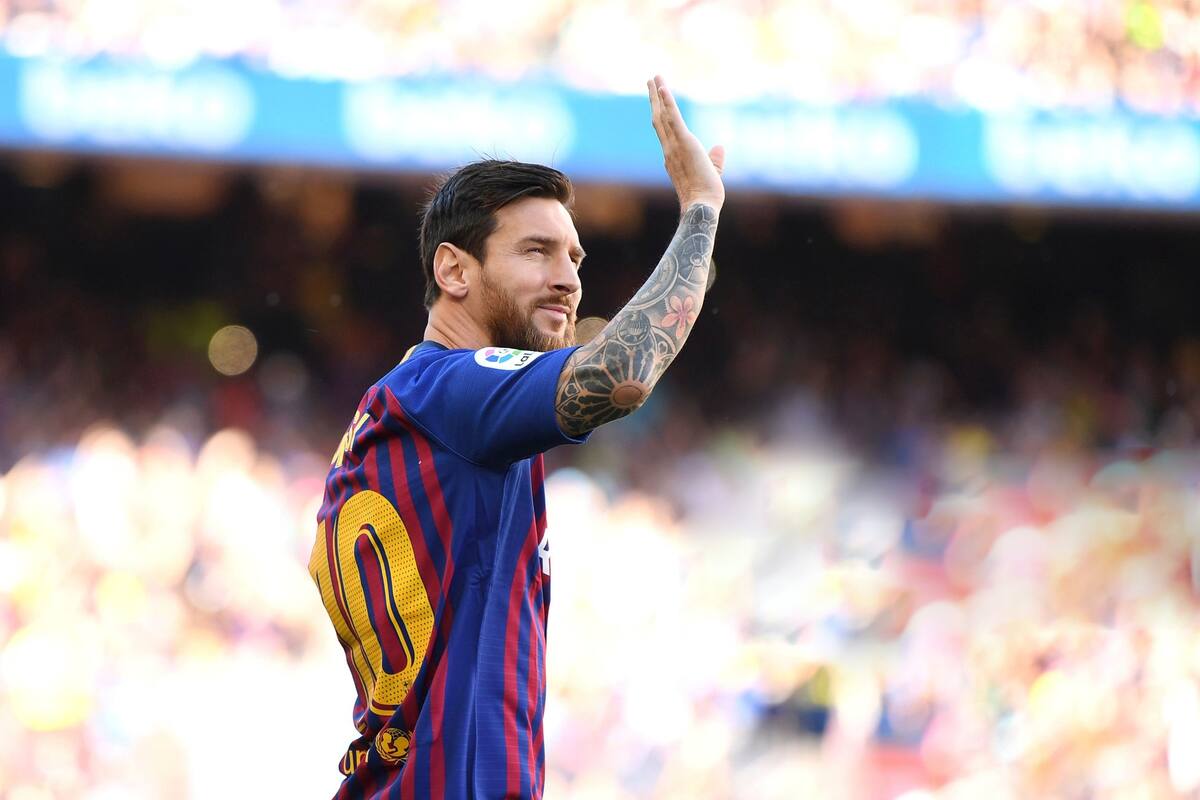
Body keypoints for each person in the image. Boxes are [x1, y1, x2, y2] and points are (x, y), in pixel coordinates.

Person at [308, 75, 725, 799]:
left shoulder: (409, 413)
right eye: (537, 251)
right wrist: (701, 208)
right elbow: (622, 372)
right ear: (453, 270)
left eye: (575, 260)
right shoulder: (450, 391)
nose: (567, 279)